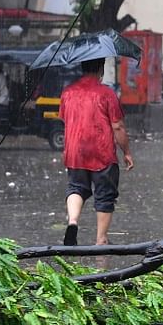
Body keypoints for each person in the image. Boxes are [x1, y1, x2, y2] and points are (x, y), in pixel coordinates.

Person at [59, 57, 134, 246]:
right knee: (105, 194)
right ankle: (101, 239)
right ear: (100, 68)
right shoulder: (106, 93)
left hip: (75, 151)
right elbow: (117, 126)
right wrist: (126, 152)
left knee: (76, 187)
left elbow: (66, 123)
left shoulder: (68, 93)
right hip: (102, 151)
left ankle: (73, 221)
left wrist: (66, 149)